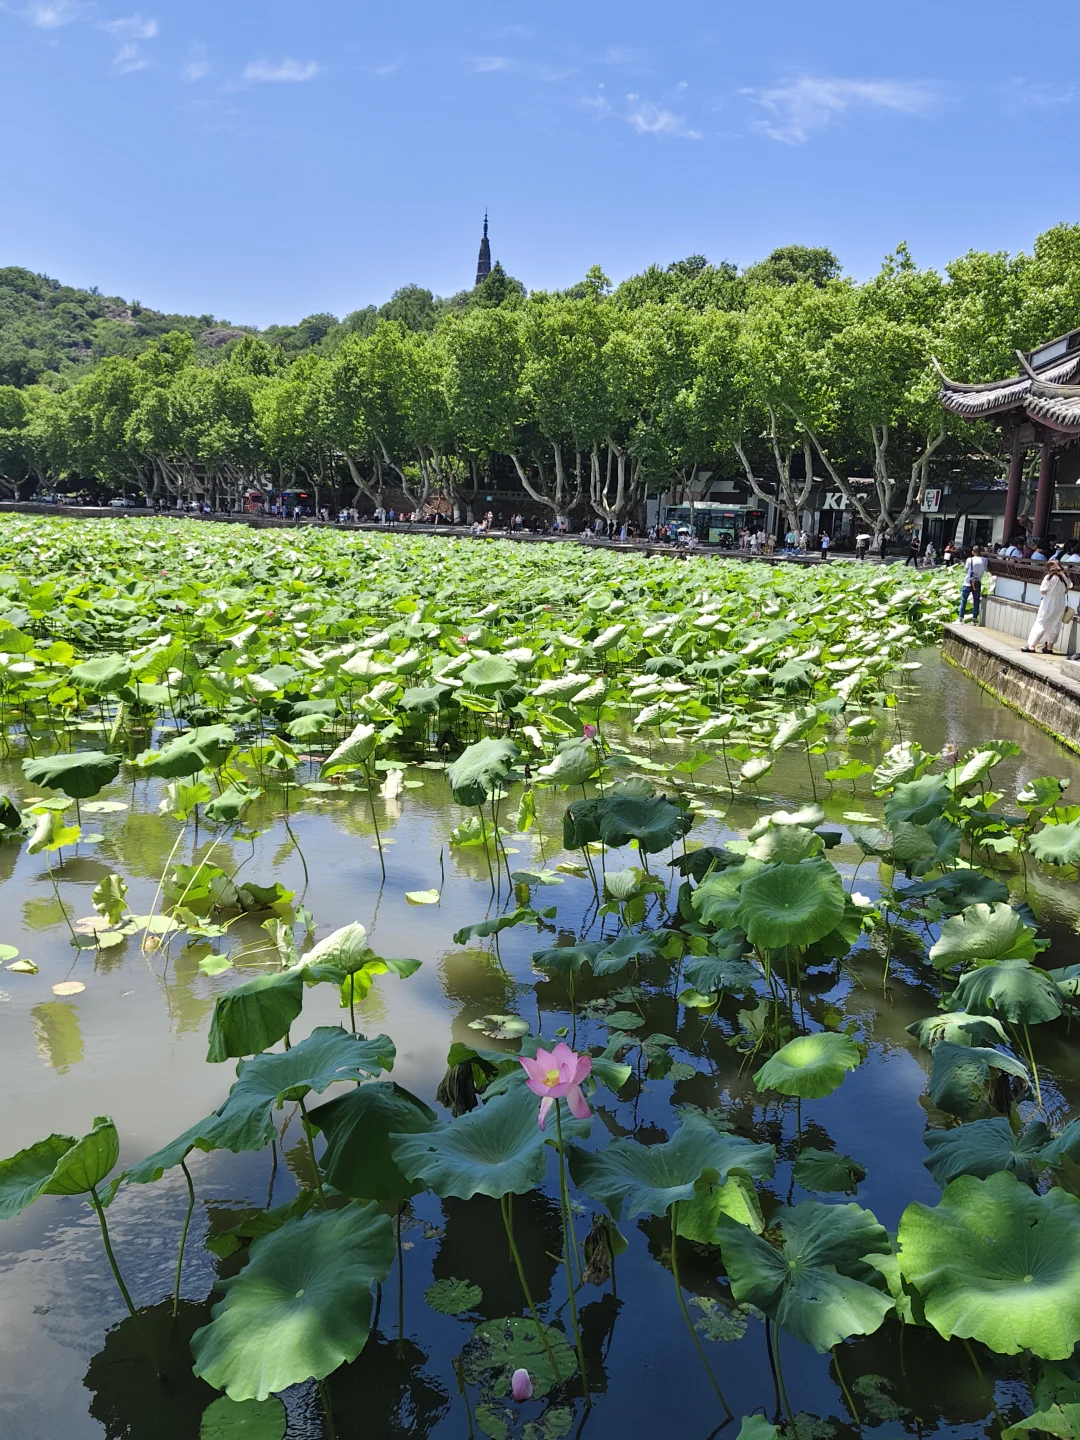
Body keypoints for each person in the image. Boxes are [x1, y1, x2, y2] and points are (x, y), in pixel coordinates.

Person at [1023, 559, 1073, 653]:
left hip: (1048, 603)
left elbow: (1043, 591)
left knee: (1041, 622)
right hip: (1060, 603)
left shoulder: (1048, 577)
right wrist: (1062, 574)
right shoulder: (1064, 577)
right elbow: (1069, 587)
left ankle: (1032, 646)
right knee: (1056, 623)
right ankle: (1049, 647)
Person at [958, 546, 987, 623]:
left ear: (973, 552)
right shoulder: (985, 560)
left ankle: (961, 618)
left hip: (967, 583)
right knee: (976, 601)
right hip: (977, 584)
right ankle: (974, 619)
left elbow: (966, 570)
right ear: (980, 552)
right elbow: (985, 569)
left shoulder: (969, 559)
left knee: (964, 601)